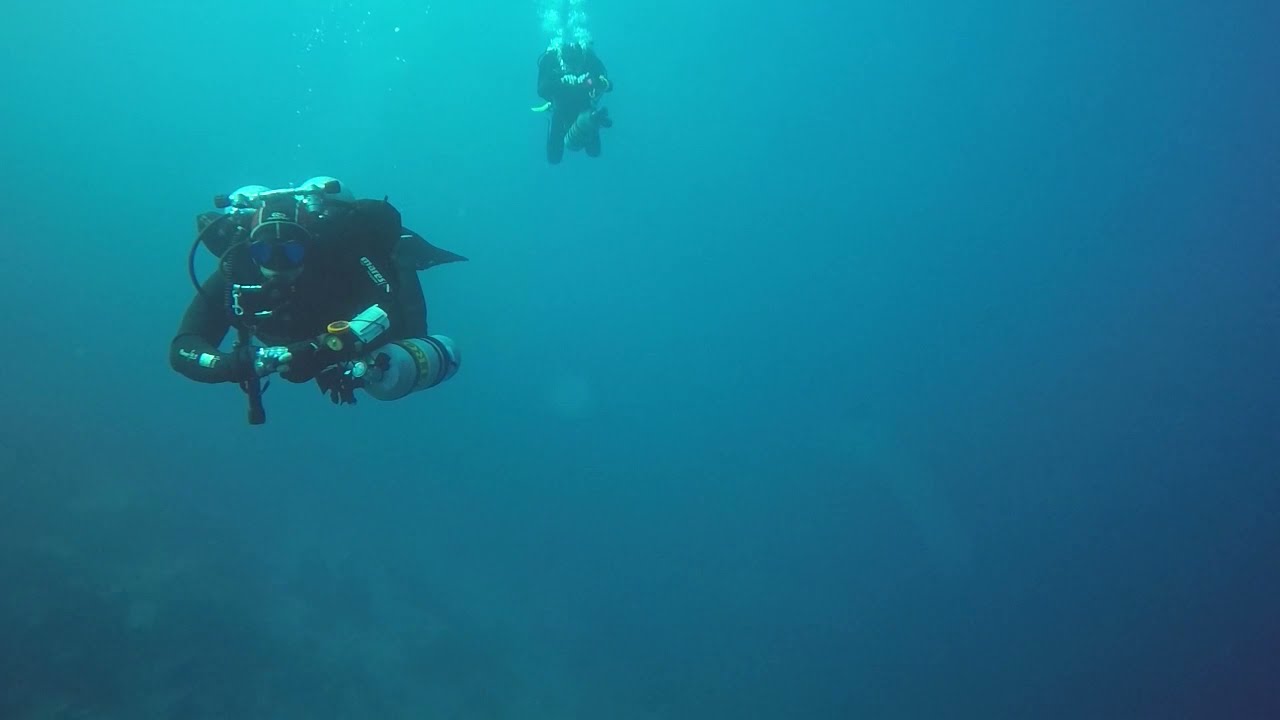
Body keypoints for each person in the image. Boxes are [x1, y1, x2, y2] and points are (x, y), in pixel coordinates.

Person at [169, 177, 467, 423]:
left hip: (343, 336)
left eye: (291, 253)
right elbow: (185, 346)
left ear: (308, 246)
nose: (277, 264)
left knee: (405, 351)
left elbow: (390, 309)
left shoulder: (336, 256)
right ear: (250, 250)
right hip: (310, 340)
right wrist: (226, 364)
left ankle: (404, 252)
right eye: (264, 253)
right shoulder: (236, 269)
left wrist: (323, 350)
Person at [535, 41, 614, 164]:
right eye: (568, 64)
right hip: (560, 108)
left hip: (584, 106)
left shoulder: (589, 58)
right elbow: (541, 89)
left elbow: (608, 85)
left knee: (594, 152)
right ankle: (553, 122)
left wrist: (589, 82)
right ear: (561, 58)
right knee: (554, 158)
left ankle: (592, 119)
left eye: (576, 64)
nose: (572, 69)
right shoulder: (551, 58)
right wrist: (561, 81)